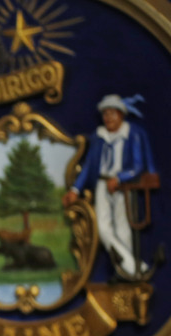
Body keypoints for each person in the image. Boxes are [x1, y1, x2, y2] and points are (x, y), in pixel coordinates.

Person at [62, 94, 158, 278]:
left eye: (112, 114)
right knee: (103, 227)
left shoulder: (132, 134)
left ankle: (123, 271)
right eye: (105, 114)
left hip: (124, 186)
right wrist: (75, 190)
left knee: (123, 228)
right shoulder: (99, 137)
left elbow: (138, 165)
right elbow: (89, 165)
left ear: (121, 115)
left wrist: (120, 178)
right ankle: (133, 267)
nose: (108, 118)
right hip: (102, 183)